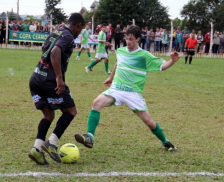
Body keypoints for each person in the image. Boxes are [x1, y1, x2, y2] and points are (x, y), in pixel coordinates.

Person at [75, 25, 179, 153]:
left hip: (132, 93)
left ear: (138, 39)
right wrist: (111, 78)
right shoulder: (121, 51)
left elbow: (162, 66)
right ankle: (89, 137)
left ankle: (166, 142)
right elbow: (118, 63)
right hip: (117, 89)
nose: (128, 41)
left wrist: (172, 61)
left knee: (149, 122)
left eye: (131, 39)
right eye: (126, 38)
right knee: (96, 103)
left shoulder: (144, 55)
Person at [28, 13, 84, 165]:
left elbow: (44, 48)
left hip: (36, 77)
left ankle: (36, 149)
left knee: (48, 115)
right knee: (71, 111)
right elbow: (54, 51)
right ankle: (51, 143)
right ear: (78, 25)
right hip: (50, 80)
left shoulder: (56, 31)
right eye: (80, 29)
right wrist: (59, 77)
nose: (79, 33)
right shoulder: (68, 35)